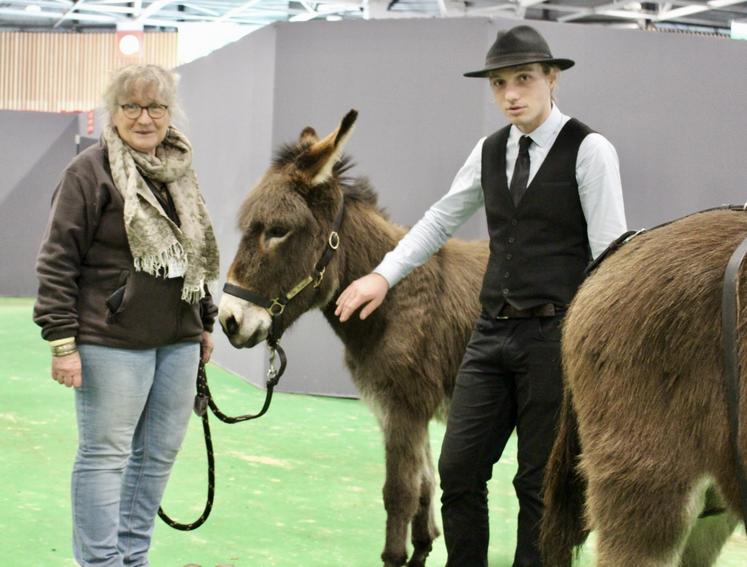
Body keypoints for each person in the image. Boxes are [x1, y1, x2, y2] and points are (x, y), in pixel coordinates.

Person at [335, 25, 627, 567]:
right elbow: (441, 218)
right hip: (490, 331)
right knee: (459, 470)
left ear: (552, 78)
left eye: (523, 79)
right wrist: (382, 275)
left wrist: (597, 349)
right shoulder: (492, 150)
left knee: (539, 482)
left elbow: (610, 254)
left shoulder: (590, 151)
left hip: (554, 335)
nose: (511, 93)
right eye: (499, 83)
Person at [33, 64, 220, 566]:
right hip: (110, 341)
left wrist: (204, 321)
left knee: (156, 457)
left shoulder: (178, 170)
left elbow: (193, 251)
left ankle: (131, 557)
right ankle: (100, 562)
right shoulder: (88, 173)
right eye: (131, 106)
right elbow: (57, 261)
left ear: (169, 113)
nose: (144, 118)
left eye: (155, 106)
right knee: (105, 457)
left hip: (177, 340)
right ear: (112, 113)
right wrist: (62, 343)